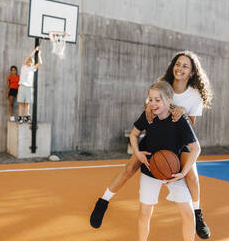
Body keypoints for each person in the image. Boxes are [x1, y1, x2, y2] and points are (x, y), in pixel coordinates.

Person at [90, 51, 213, 239]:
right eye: (177, 64)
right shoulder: (162, 86)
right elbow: (149, 108)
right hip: (156, 137)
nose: (180, 68)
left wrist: (179, 112)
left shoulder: (194, 95)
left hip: (177, 141)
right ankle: (103, 201)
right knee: (130, 167)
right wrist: (151, 108)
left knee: (192, 176)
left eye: (185, 66)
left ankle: (197, 213)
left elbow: (191, 125)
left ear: (192, 73)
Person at [134, 81, 200, 241]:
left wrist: (182, 173)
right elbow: (133, 134)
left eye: (158, 99)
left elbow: (196, 148)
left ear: (169, 100)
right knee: (144, 213)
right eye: (150, 99)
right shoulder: (148, 116)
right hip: (150, 170)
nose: (153, 103)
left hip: (173, 172)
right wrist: (138, 153)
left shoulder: (179, 120)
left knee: (189, 214)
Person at [17, 46, 42, 124]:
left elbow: (40, 63)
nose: (29, 61)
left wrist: (39, 54)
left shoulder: (33, 68)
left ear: (32, 63)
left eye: (31, 61)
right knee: (21, 103)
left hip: (29, 87)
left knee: (27, 103)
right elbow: (29, 56)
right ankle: (20, 117)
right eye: (28, 60)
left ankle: (27, 116)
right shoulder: (23, 67)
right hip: (22, 86)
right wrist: (35, 50)